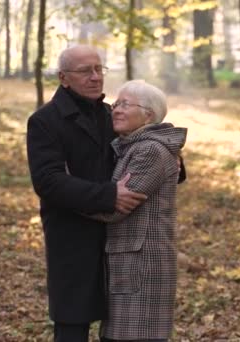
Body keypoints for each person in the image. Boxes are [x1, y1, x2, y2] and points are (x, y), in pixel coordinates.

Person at [26, 45, 148, 342]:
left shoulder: (111, 115)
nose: (95, 78)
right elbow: (48, 181)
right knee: (72, 324)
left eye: (99, 69)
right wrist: (108, 195)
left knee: (121, 326)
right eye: (85, 71)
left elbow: (144, 146)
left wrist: (172, 163)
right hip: (72, 235)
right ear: (63, 78)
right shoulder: (44, 121)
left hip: (119, 237)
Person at [92, 80, 187, 342]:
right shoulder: (130, 146)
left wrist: (68, 199)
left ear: (149, 115)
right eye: (116, 103)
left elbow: (115, 208)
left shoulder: (148, 150)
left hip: (142, 266)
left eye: (125, 104)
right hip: (130, 264)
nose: (116, 110)